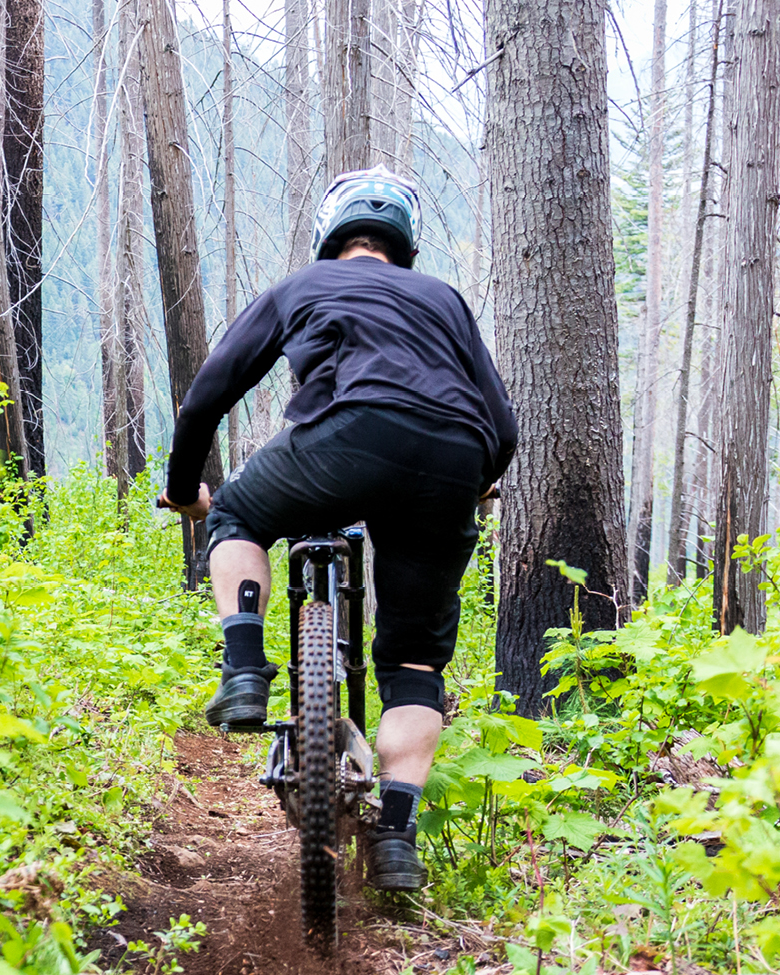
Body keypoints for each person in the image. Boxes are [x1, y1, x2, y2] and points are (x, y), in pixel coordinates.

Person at [156, 167, 517, 891]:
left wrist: (183, 492)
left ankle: (243, 674)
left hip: (344, 438)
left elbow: (205, 398)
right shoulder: (441, 298)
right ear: (403, 243)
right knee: (414, 663)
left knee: (237, 513)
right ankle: (394, 839)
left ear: (329, 231)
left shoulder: (300, 287)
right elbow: (501, 423)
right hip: (454, 454)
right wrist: (470, 485)